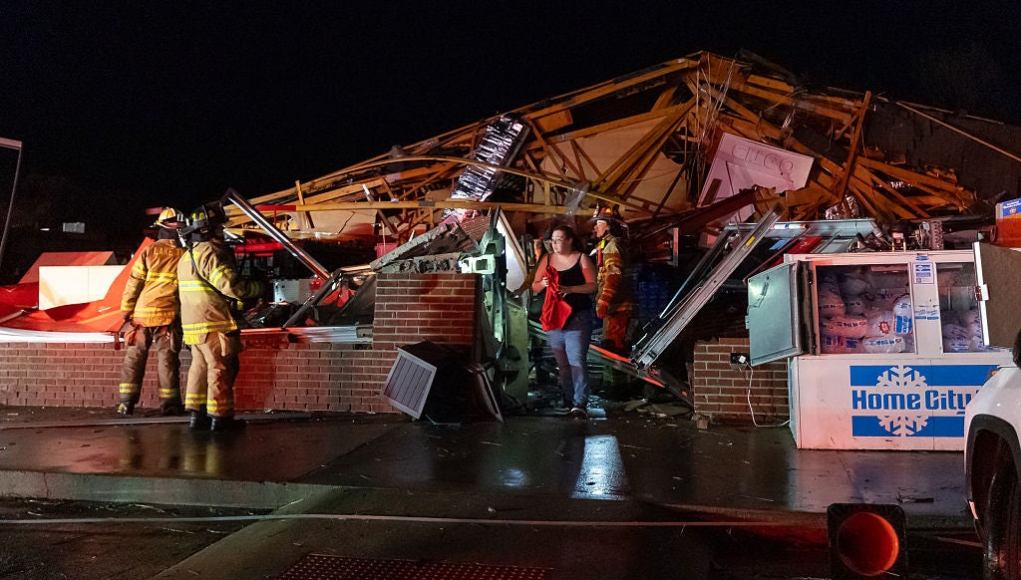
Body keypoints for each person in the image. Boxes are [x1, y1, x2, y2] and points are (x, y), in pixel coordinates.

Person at [178, 214, 263, 431]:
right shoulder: (210, 252)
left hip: (193, 324)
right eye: (218, 228)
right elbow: (230, 286)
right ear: (208, 230)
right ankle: (221, 418)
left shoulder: (187, 256)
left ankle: (197, 417)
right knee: (220, 369)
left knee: (199, 367)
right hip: (213, 322)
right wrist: (258, 288)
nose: (221, 232)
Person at [116, 207, 186, 416]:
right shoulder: (185, 255)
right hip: (168, 317)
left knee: (134, 359)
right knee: (168, 361)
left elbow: (133, 283)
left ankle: (126, 403)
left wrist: (126, 311)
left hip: (142, 315)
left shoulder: (149, 251)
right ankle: (170, 405)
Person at [531, 225, 596, 418]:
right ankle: (568, 400)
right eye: (553, 240)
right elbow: (534, 287)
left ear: (569, 240)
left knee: (576, 359)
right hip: (555, 318)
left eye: (559, 239)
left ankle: (580, 403)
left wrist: (571, 289)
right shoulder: (547, 259)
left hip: (577, 317)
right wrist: (542, 284)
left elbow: (592, 286)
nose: (555, 243)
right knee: (563, 363)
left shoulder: (581, 258)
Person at [591, 206, 633, 355]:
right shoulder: (607, 245)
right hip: (615, 307)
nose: (595, 227)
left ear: (609, 226)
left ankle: (620, 377)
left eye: (599, 223)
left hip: (617, 308)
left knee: (614, 349)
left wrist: (603, 302)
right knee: (611, 346)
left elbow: (614, 275)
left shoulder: (612, 246)